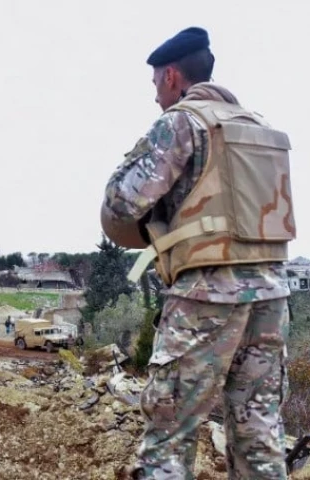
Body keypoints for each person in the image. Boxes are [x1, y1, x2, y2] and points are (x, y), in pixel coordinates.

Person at [100, 27, 295, 479]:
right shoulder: (258, 126)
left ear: (171, 76)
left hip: (206, 297)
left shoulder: (181, 123)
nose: (155, 96)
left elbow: (122, 202)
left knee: (169, 435)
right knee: (260, 434)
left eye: (155, 83)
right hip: (270, 299)